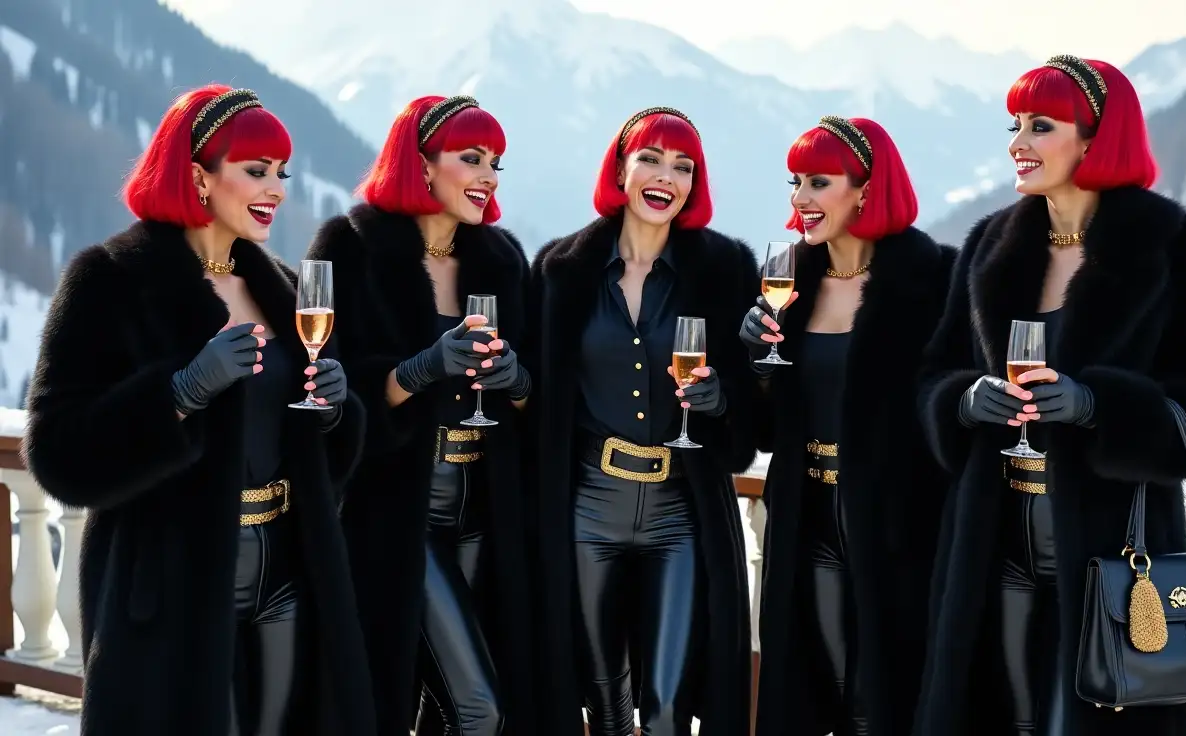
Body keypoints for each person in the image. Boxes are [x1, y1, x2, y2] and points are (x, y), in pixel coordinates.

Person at [914, 56, 1186, 736]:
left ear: (1098, 139)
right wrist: (961, 402)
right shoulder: (988, 245)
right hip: (990, 542)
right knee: (998, 716)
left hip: (1114, 549)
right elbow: (933, 378)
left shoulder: (1173, 245)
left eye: (1040, 126)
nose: (1017, 143)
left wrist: (1102, 406)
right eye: (1014, 125)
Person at [21, 84, 375, 735]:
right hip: (175, 583)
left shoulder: (286, 287)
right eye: (256, 171)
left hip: (289, 568)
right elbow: (57, 456)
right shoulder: (108, 279)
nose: (277, 189)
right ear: (197, 176)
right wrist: (178, 393)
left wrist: (335, 415)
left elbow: (323, 455)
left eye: (281, 174)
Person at [524, 107, 760, 736]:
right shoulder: (559, 269)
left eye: (684, 166)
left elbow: (753, 393)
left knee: (663, 708)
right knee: (603, 707)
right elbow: (538, 396)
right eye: (651, 159)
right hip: (585, 510)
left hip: (680, 511)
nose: (666, 177)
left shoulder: (727, 268)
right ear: (621, 168)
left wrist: (721, 399)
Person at [304, 95, 535, 736]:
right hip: (394, 513)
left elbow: (537, 396)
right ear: (422, 164)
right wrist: (416, 371)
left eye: (495, 162)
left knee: (443, 710)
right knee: (480, 709)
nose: (489, 175)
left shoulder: (502, 258)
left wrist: (518, 381)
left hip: (485, 516)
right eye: (472, 158)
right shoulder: (350, 246)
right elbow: (325, 394)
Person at [740, 116, 956, 736]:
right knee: (820, 691)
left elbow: (948, 405)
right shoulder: (788, 284)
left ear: (866, 189)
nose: (799, 199)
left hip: (897, 520)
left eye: (818, 182)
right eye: (795, 182)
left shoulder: (935, 280)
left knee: (880, 701)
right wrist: (755, 364)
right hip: (805, 515)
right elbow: (762, 426)